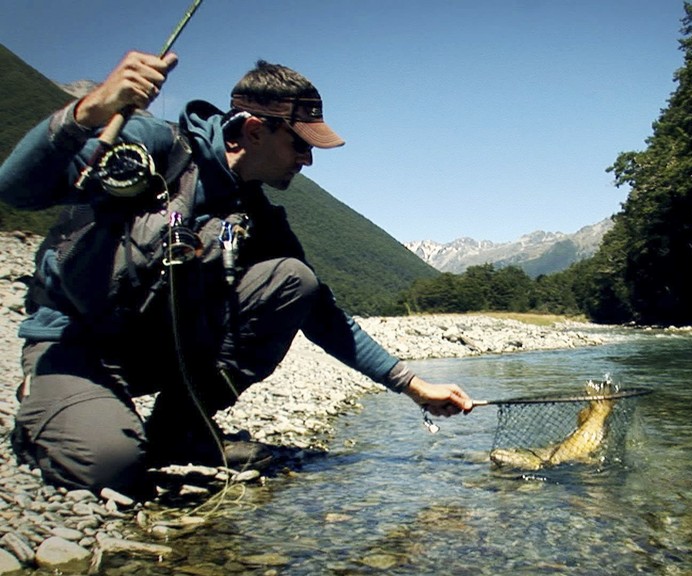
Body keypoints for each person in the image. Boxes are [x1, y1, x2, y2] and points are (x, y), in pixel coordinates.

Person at [0, 50, 474, 499]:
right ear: (252, 129)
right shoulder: (152, 146)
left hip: (158, 352)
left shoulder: (257, 216)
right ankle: (44, 403)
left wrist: (413, 386)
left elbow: (323, 315)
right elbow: (15, 189)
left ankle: (180, 431)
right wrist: (90, 110)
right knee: (112, 468)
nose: (307, 160)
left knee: (294, 279)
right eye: (300, 144)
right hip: (76, 347)